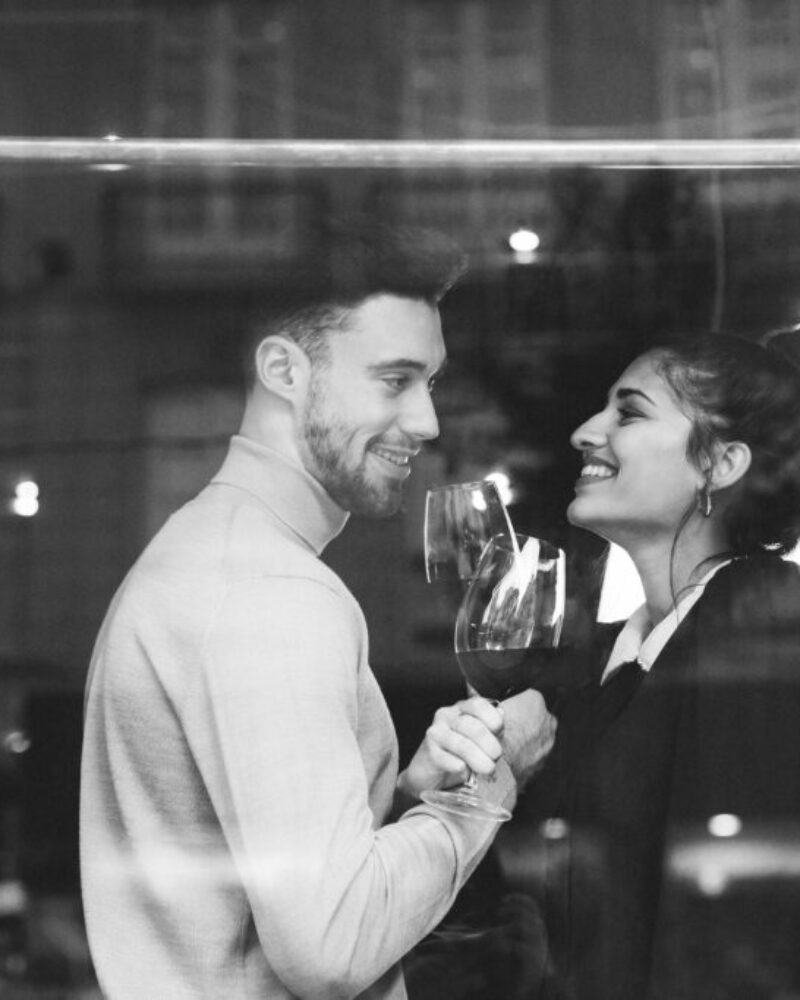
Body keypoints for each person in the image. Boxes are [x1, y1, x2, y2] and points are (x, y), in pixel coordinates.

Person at [79, 219, 556, 1000]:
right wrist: (487, 787)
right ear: (283, 370)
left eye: (429, 384)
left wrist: (414, 797)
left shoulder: (206, 553)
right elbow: (331, 946)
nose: (427, 422)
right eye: (395, 380)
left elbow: (267, 885)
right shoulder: (270, 593)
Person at [524, 332, 800, 999]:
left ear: (720, 463)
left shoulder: (755, 610)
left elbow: (736, 929)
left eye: (630, 412)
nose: (585, 432)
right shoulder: (616, 656)